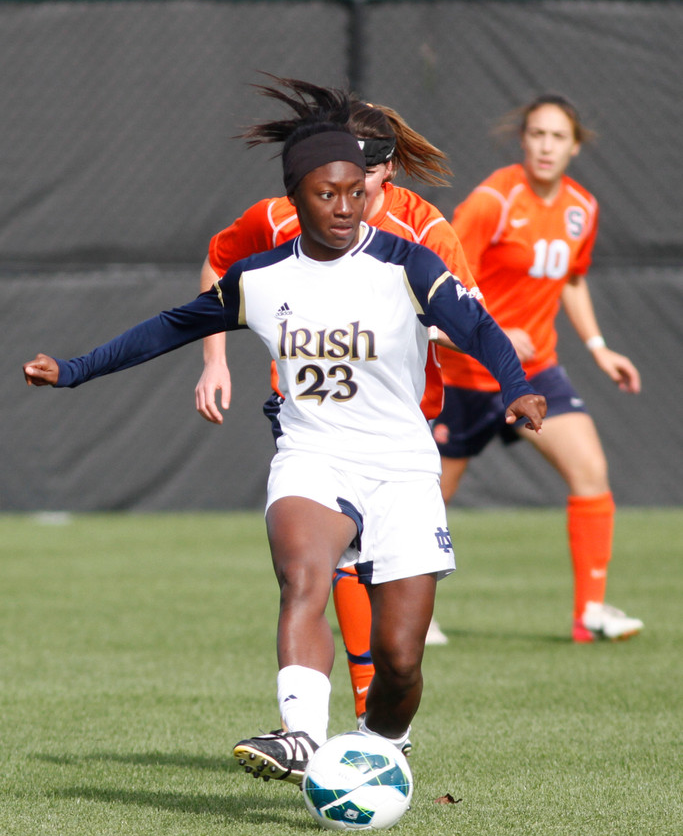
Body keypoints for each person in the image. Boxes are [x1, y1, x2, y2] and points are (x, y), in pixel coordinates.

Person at [23, 81, 546, 787]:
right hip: (312, 453)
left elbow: (478, 328)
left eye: (354, 192)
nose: (344, 206)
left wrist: (516, 389)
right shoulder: (260, 276)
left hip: (401, 463)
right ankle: (301, 735)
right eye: (326, 193)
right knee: (304, 579)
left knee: (400, 660)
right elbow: (170, 326)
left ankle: (378, 743)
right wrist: (75, 369)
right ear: (293, 198)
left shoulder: (409, 260)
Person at [194, 78, 482, 723]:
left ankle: (380, 726)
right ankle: (322, 727)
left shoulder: (423, 229)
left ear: (386, 169)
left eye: (372, 169)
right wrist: (214, 358)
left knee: (393, 627)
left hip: (400, 428)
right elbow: (218, 263)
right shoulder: (283, 215)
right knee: (321, 566)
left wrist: (449, 328)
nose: (358, 186)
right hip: (311, 425)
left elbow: (469, 322)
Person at [433, 93, 643, 643]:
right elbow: (446, 284)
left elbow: (571, 277)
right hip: (466, 376)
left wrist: (598, 345)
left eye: (557, 137)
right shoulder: (493, 202)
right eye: (537, 135)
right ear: (523, 140)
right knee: (426, 499)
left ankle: (589, 614)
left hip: (537, 371)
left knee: (591, 472)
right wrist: (496, 331)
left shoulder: (582, 208)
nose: (546, 146)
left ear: (575, 146)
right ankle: (409, 611)